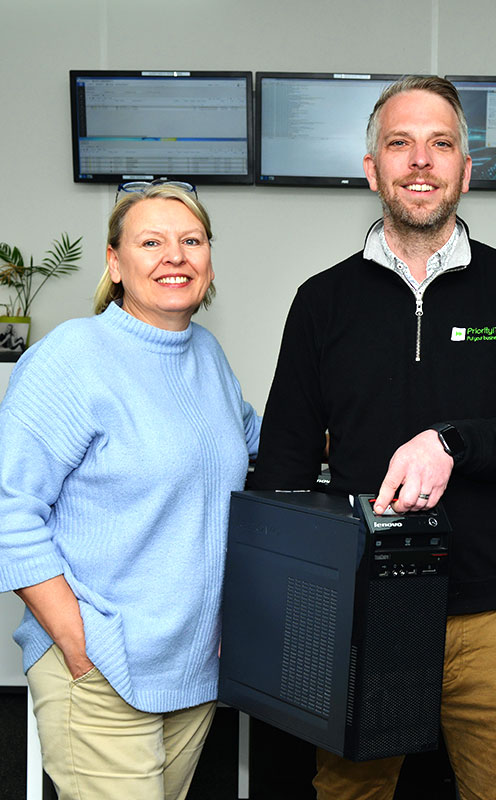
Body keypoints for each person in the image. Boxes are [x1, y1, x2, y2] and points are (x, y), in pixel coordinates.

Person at [250, 76, 496, 800]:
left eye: (441, 144)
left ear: (466, 168)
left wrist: (451, 443)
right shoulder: (321, 302)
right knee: (351, 795)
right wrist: (282, 609)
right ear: (373, 170)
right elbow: (283, 467)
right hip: (363, 617)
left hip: (492, 619)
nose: (421, 160)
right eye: (400, 144)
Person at [0, 183, 260, 800]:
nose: (175, 255)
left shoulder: (206, 355)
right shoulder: (72, 357)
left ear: (209, 262)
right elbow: (10, 509)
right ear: (115, 264)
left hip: (191, 668)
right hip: (101, 662)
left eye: (190, 241)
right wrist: (77, 640)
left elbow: (257, 442)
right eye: (152, 242)